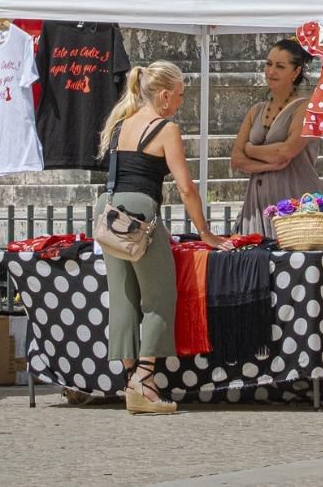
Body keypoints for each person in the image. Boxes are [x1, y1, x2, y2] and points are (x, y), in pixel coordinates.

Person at [97, 62, 228, 415]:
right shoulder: (165, 128)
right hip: (139, 210)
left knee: (123, 296)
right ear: (165, 95)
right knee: (159, 296)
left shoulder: (120, 123)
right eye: (181, 95)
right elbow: (186, 188)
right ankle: (145, 378)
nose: (181, 102)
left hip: (107, 210)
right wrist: (206, 232)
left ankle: (130, 379)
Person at [232, 39, 320, 236]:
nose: (271, 71)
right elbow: (237, 159)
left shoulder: (305, 108)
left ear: (296, 72)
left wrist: (251, 150)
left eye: (280, 66)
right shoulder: (256, 110)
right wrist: (267, 165)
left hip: (293, 202)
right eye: (268, 64)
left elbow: (286, 151)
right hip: (256, 207)